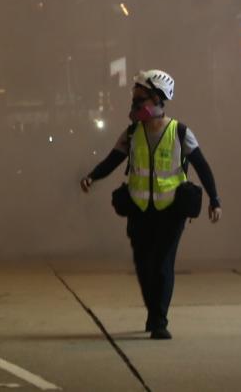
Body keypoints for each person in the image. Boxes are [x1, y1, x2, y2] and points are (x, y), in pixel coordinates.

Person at [80, 70, 222, 340]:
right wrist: (92, 176)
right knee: (144, 265)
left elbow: (203, 167)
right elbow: (113, 160)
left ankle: (159, 321)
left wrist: (215, 199)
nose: (134, 104)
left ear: (157, 99)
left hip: (171, 211)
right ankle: (153, 312)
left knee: (162, 264)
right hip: (140, 209)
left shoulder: (180, 132)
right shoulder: (132, 133)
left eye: (139, 98)